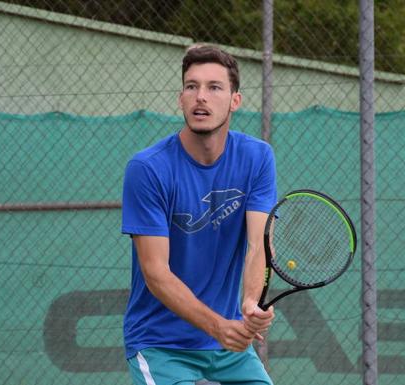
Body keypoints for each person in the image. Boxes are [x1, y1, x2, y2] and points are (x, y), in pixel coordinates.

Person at [121, 44, 277, 385]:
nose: (200, 97)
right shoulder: (148, 169)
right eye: (191, 87)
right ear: (181, 98)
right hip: (160, 344)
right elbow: (156, 274)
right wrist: (219, 327)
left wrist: (250, 302)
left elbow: (258, 245)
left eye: (214, 87)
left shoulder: (257, 158)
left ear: (235, 100)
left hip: (227, 347)